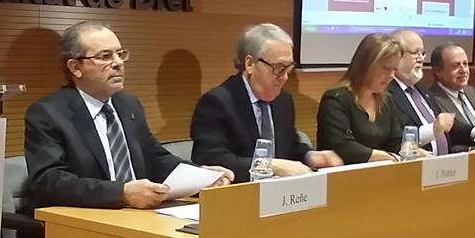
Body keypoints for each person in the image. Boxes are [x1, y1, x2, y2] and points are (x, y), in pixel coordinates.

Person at [22, 21, 233, 212]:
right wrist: (121, 193)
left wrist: (201, 176)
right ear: (75, 67)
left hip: (135, 218)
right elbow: (49, 181)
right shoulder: (48, 113)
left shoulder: (128, 105)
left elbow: (154, 157)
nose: (118, 63)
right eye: (105, 56)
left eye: (120, 54)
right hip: (82, 222)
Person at [190, 23, 341, 182]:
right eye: (278, 68)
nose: (285, 77)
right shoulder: (217, 102)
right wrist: (270, 165)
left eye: (289, 68)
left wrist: (311, 156)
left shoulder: (283, 101)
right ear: (250, 64)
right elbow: (212, 159)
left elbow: (289, 146)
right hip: (239, 191)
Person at [317, 33, 406, 164]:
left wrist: (414, 151)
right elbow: (344, 147)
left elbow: (396, 142)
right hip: (343, 173)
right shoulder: (336, 99)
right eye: (387, 68)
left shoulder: (386, 100)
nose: (392, 75)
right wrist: (386, 156)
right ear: (367, 65)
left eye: (395, 69)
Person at [388, 30, 457, 155]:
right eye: (415, 53)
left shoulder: (422, 88)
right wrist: (433, 129)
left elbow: (447, 125)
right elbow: (395, 140)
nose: (421, 59)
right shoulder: (386, 93)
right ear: (397, 56)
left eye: (423, 53)